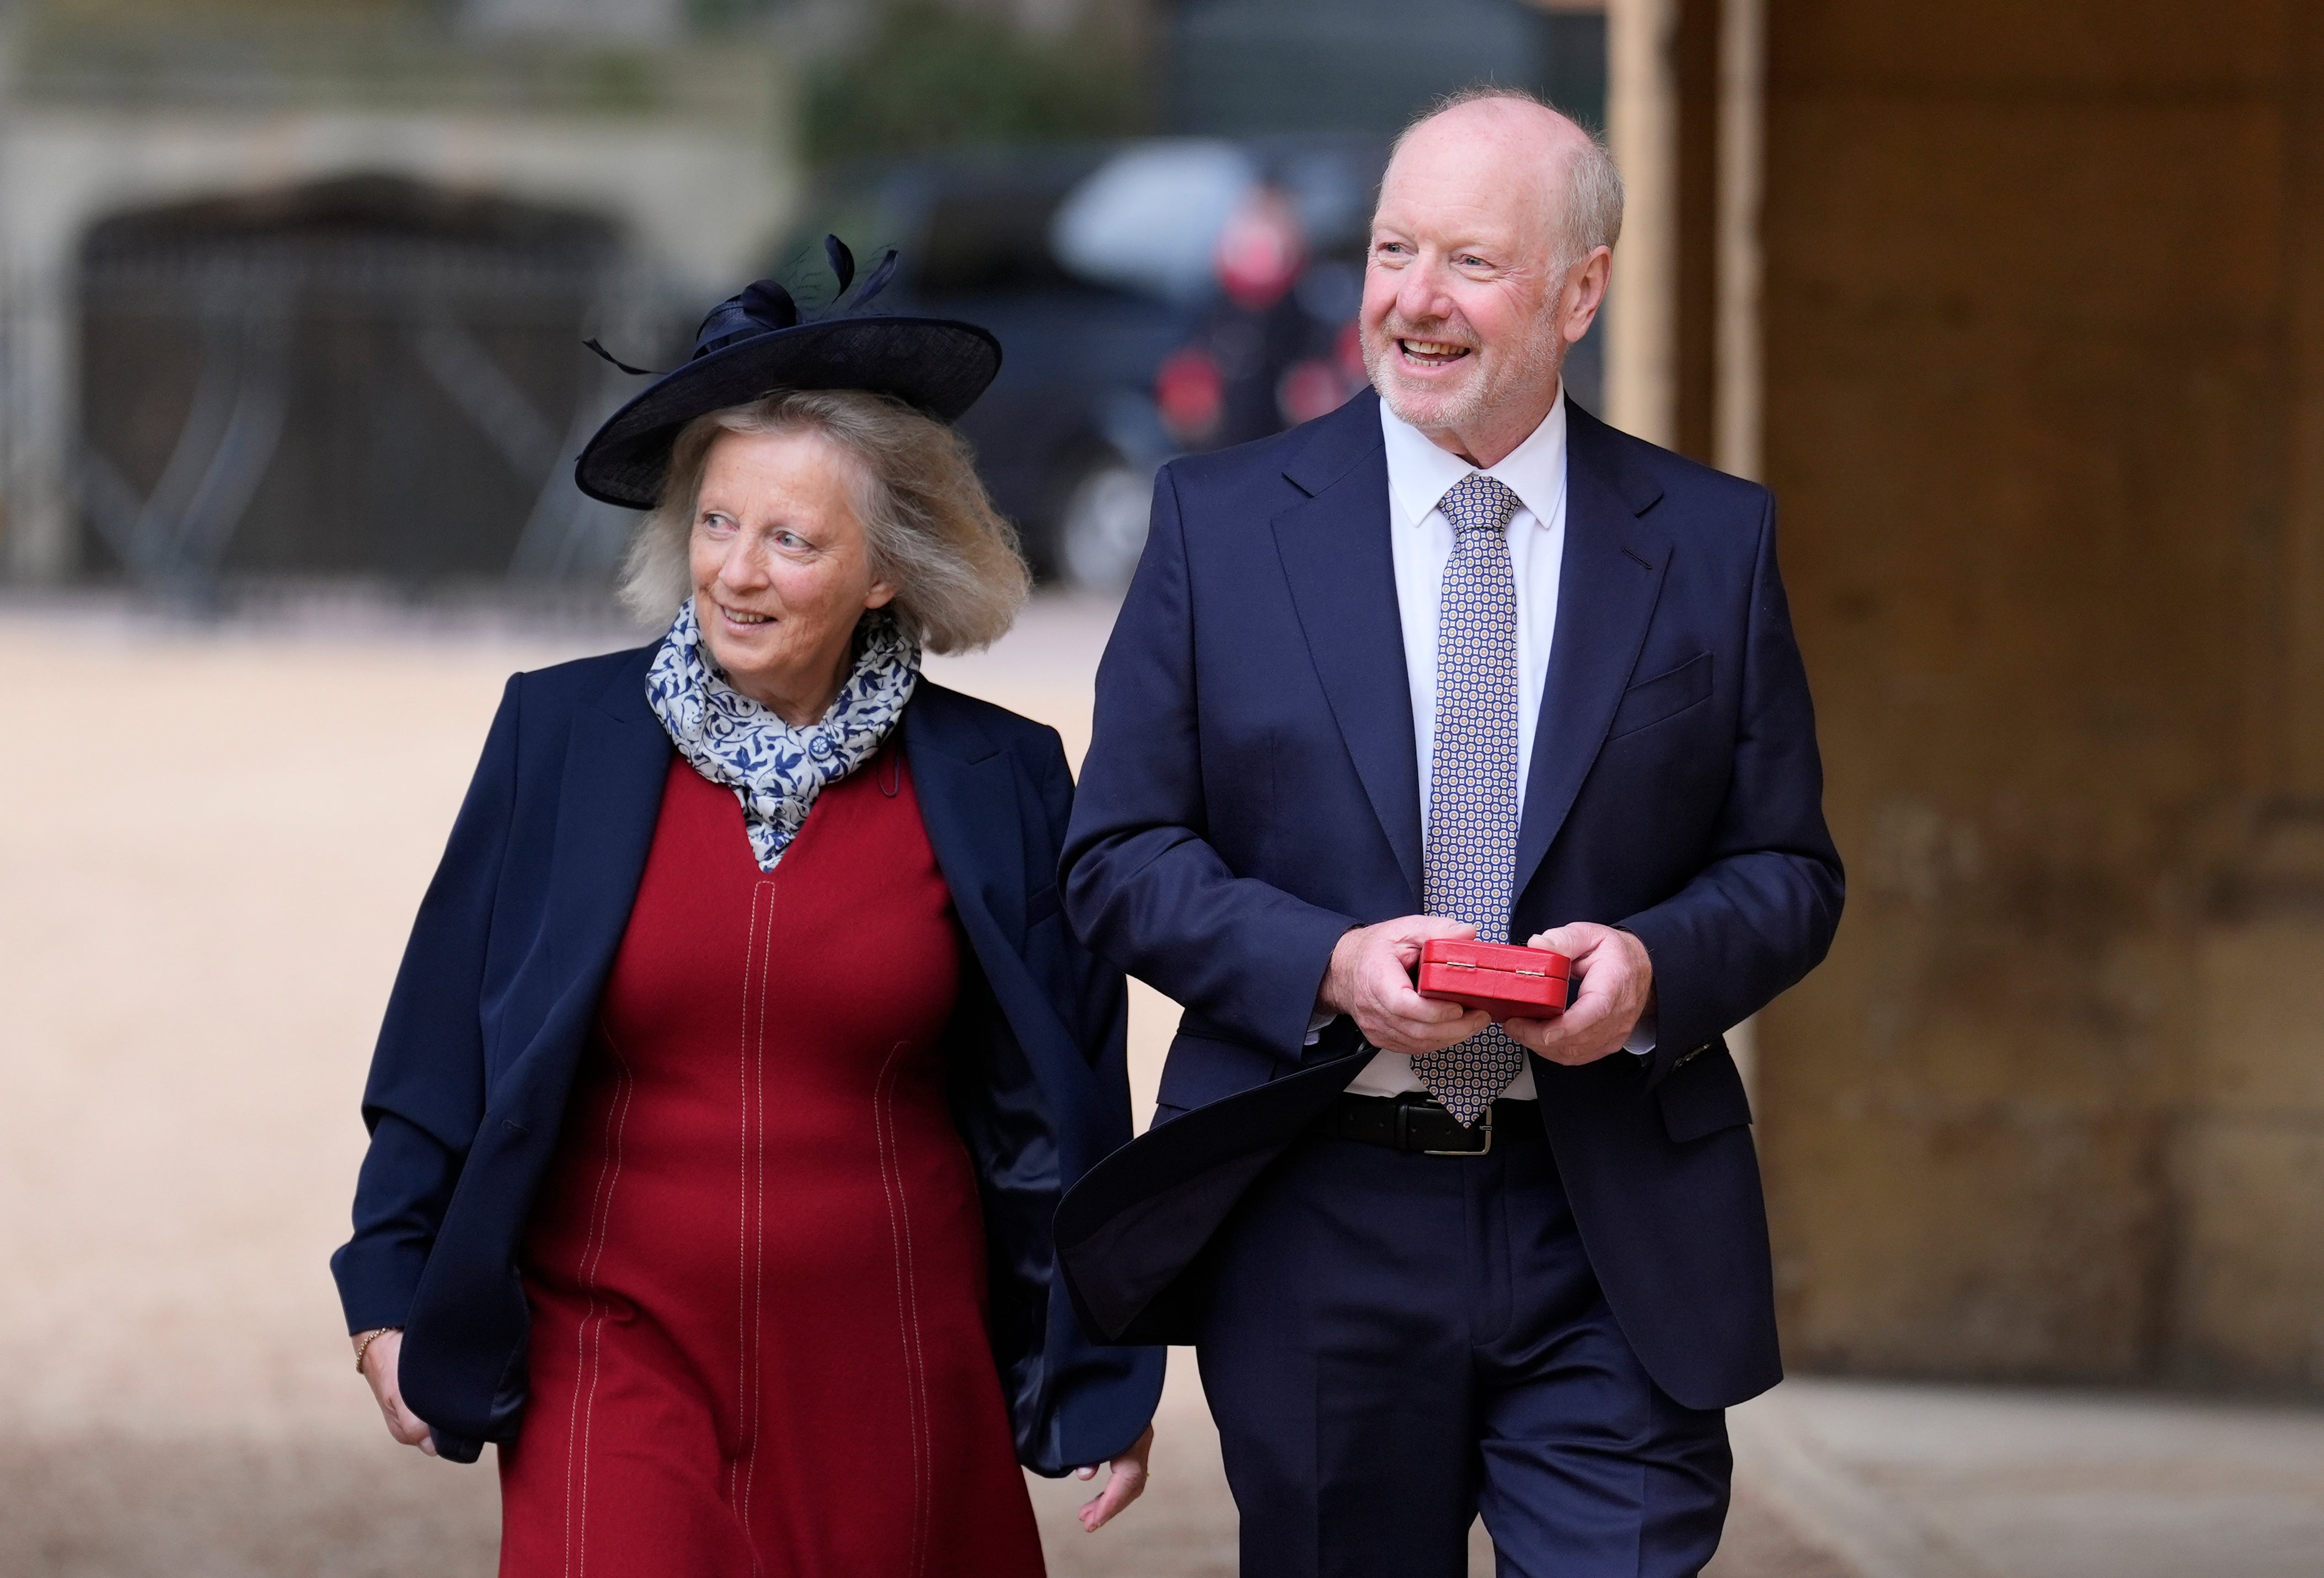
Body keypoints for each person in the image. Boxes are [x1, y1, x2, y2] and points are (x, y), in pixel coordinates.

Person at [1054, 89, 1845, 1576]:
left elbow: (1788, 872)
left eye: (1469, 263)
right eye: (1390, 249)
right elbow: (1117, 856)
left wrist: (1651, 967)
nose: (1410, 301)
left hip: (1607, 1215)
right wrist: (1325, 959)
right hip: (1316, 1208)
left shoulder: (1709, 538)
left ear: (1579, 289)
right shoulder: (1216, 528)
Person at [330, 255, 1161, 1577]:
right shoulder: (560, 738)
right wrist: (385, 1294)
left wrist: (1097, 1360)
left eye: (792, 539)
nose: (739, 571)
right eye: (718, 524)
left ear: (885, 571)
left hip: (894, 1367)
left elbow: (1052, 1105)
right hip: (614, 1352)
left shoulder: (999, 779)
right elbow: (437, 1049)